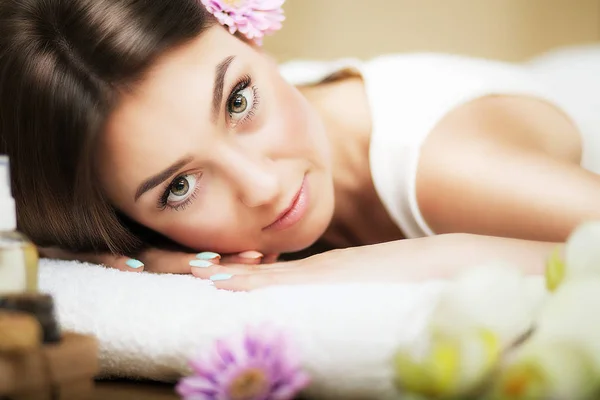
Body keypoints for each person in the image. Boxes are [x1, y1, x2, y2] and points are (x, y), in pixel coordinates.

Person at [0, 0, 598, 291]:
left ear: (248, 34)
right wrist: (138, 260)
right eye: (179, 187)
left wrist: (420, 260)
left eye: (238, 101)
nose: (262, 187)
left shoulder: (449, 166)